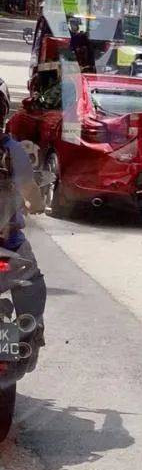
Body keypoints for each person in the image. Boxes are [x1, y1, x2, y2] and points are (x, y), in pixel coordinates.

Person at [0, 90, 46, 348]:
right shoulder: (13, 149)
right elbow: (31, 192)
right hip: (11, 245)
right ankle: (31, 332)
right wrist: (36, 205)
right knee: (31, 280)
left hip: (10, 248)